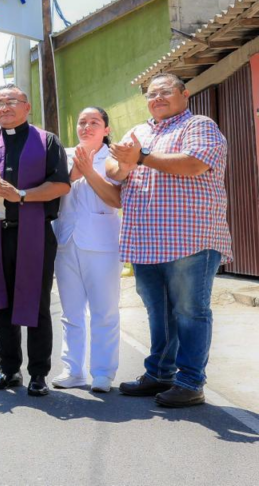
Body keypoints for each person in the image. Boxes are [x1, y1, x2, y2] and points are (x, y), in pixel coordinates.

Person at [108, 73, 231, 408]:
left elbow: (195, 163)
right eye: (151, 94)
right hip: (146, 238)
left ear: (184, 94)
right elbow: (113, 168)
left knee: (190, 311)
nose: (157, 98)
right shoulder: (138, 131)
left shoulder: (199, 125)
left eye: (164, 92)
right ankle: (160, 373)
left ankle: (191, 382)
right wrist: (124, 164)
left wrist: (140, 158)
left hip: (189, 237)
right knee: (158, 312)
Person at [0, 84, 70, 397]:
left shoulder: (47, 141)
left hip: (33, 231)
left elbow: (61, 184)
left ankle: (38, 373)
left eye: (11, 102)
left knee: (36, 303)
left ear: (27, 106)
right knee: (2, 303)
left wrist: (21, 195)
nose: (4, 108)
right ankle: (9, 370)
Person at [52, 107, 122, 393]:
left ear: (106, 129)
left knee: (104, 311)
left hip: (102, 244)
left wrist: (88, 171)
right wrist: (73, 172)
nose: (87, 126)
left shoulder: (115, 158)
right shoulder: (63, 155)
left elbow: (116, 198)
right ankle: (73, 369)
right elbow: (53, 192)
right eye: (82, 122)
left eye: (94, 122)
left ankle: (103, 373)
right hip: (65, 241)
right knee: (70, 312)